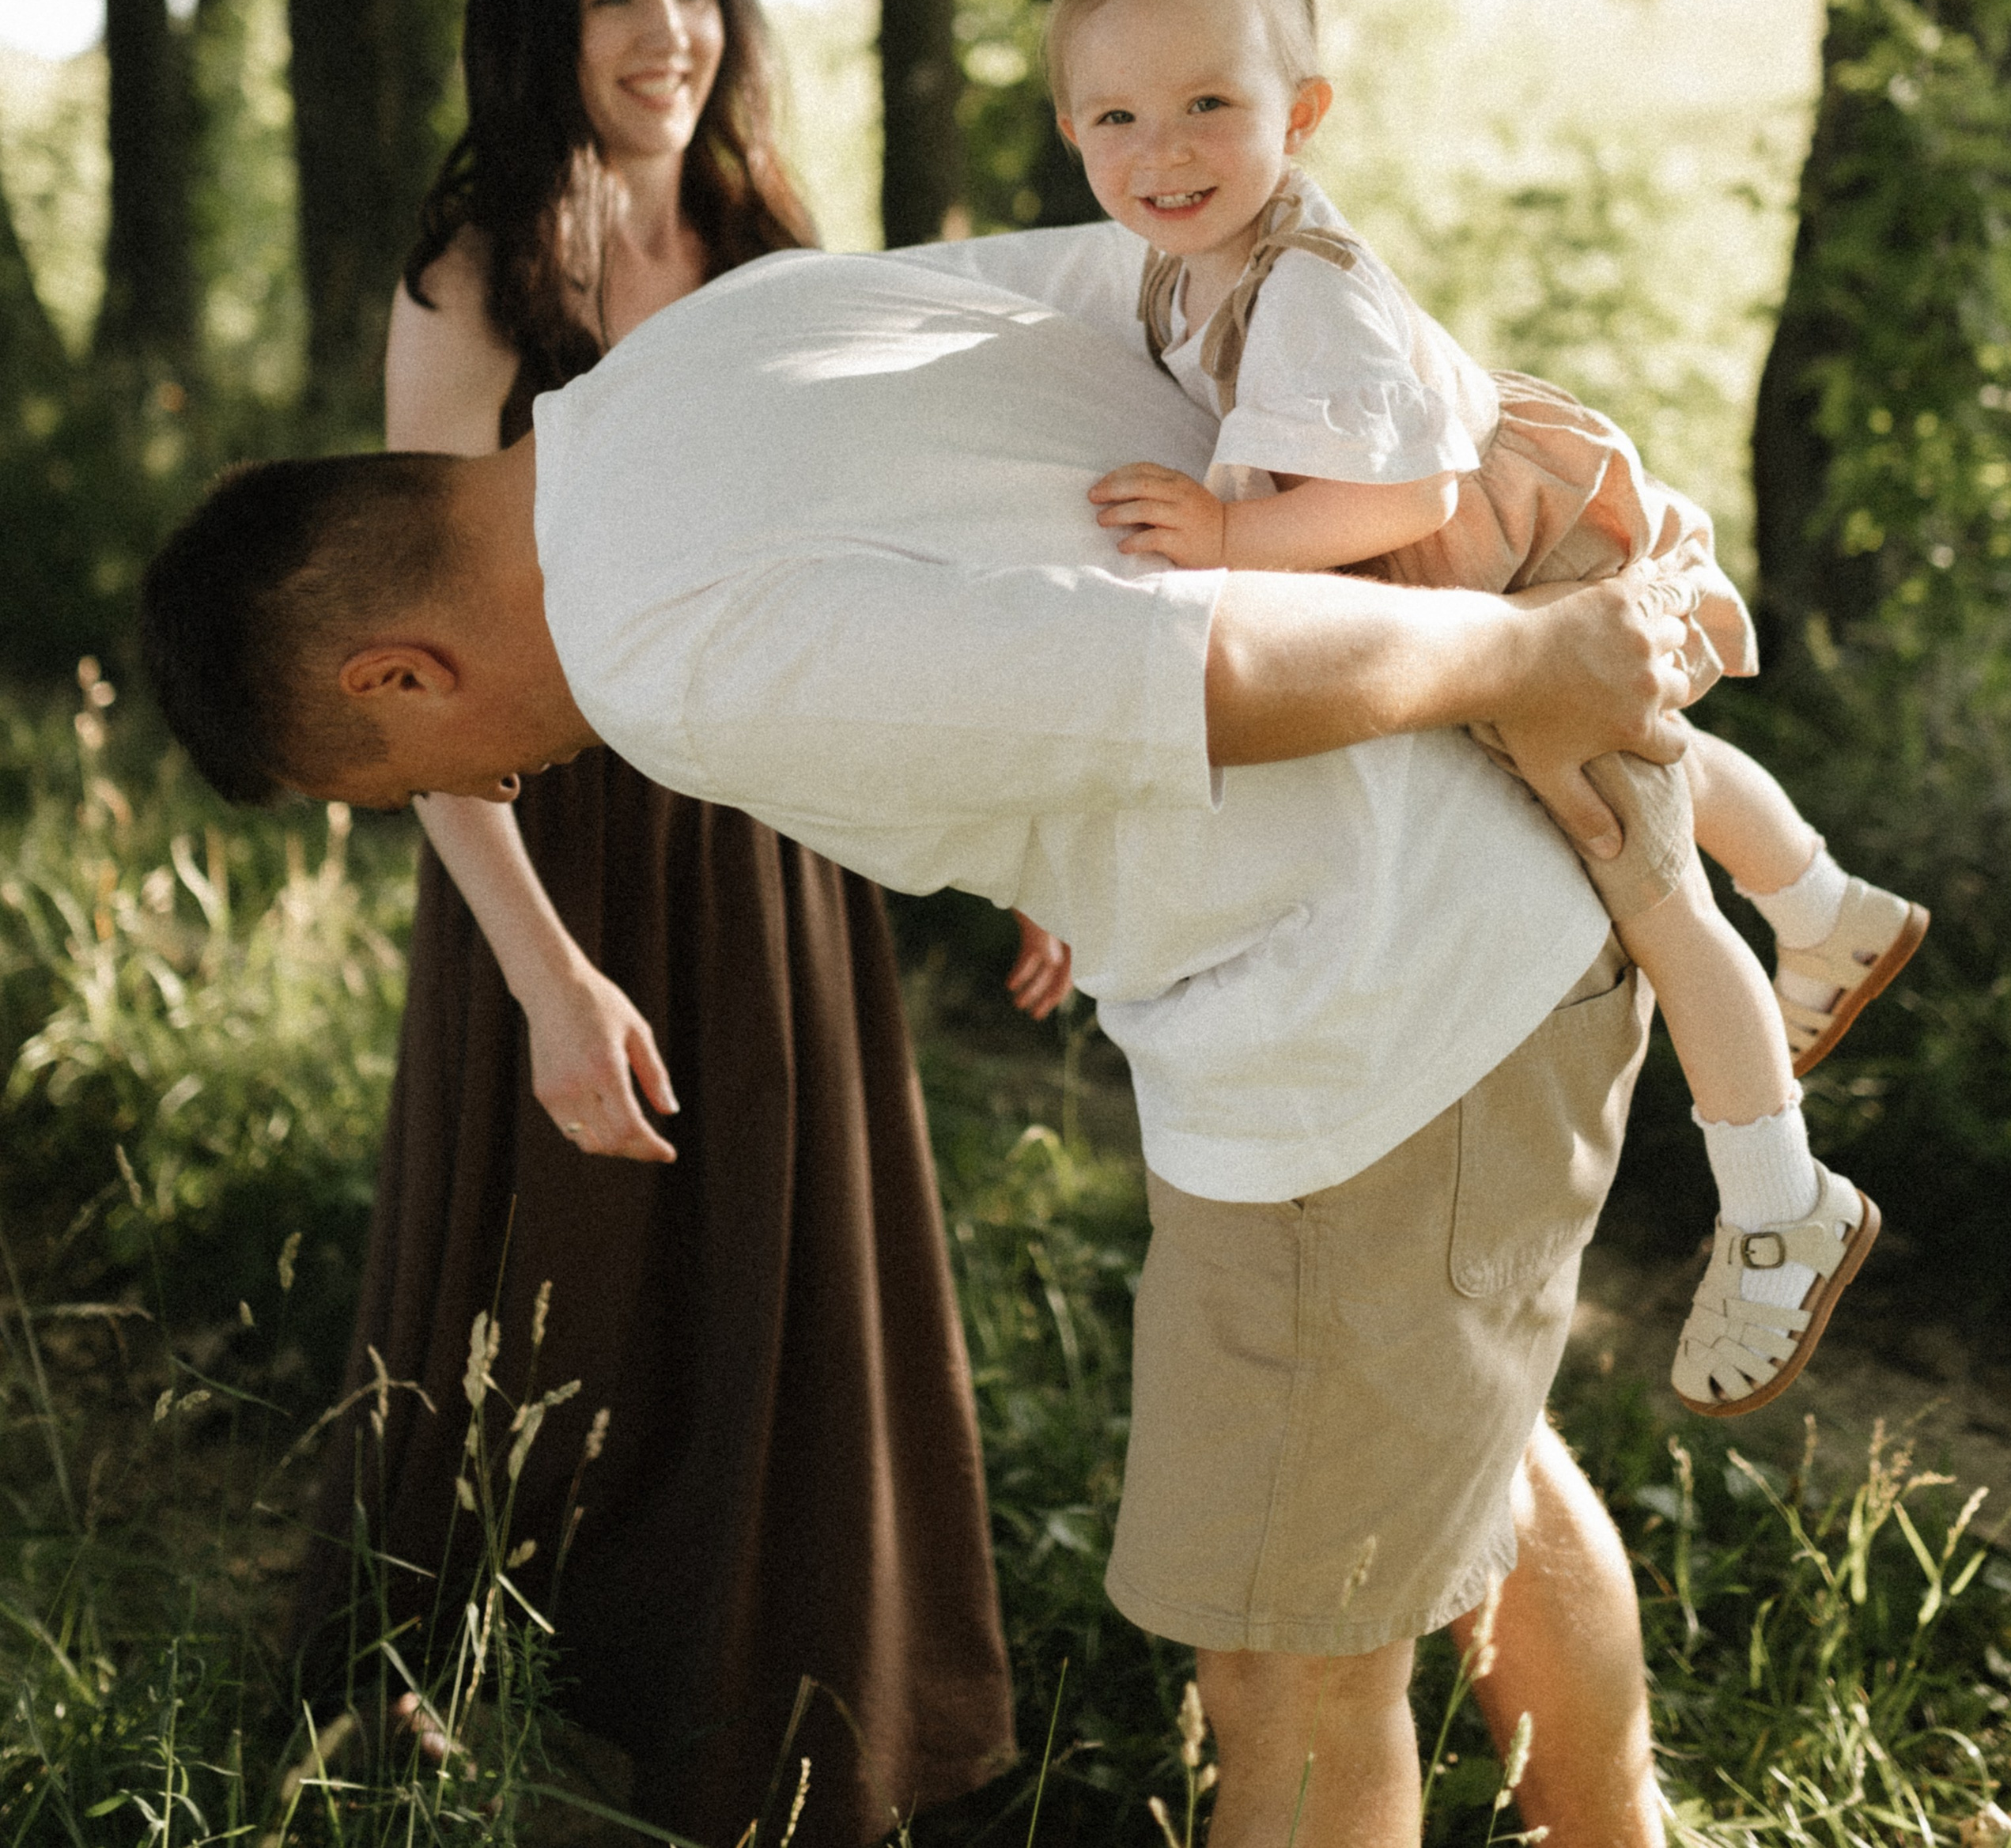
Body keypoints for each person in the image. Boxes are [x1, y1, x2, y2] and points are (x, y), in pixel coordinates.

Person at [143, 225, 1711, 1848]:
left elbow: (1203, 672)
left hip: (1380, 998)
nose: (480, 799)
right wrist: (1463, 545)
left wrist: (1539, 653)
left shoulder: (666, 652)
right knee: (1459, 1460)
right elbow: (1184, 277)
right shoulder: (694, 352)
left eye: (411, 779)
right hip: (1469, 925)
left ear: (398, 670)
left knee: (1282, 1671)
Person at [289, 0, 1015, 1848]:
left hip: (776, 837)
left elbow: (901, 567)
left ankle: (776, 1726)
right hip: (554, 849)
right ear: (538, 25)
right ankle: (472, 1725)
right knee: (557, 1291)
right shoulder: (477, 274)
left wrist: (1021, 824)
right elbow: (412, 670)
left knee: (775, 1270)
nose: (667, 37)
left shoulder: (774, 243)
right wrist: (543, 975)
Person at [1049, 0, 1922, 1419]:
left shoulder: (1302, 285)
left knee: (1633, 859)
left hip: (1521, 570)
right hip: (1477, 567)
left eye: (1211, 104)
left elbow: (1409, 501)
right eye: (1118, 113)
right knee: (1646, 770)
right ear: (1072, 130)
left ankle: (1784, 1194)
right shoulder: (1170, 263)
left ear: (1301, 114)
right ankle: (1824, 900)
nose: (1163, 146)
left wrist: (1220, 537)